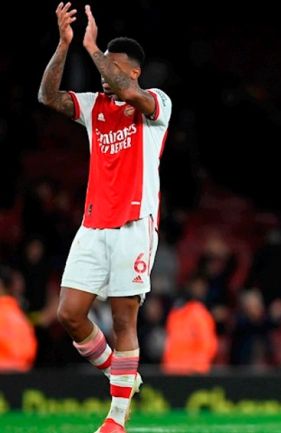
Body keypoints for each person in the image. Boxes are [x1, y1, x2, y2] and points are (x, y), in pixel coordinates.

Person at [38, 3, 172, 432]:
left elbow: (130, 92)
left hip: (135, 223)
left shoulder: (155, 105)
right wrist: (65, 46)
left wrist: (94, 48)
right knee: (69, 314)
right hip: (94, 223)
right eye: (100, 64)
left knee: (122, 320)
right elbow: (48, 96)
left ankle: (115, 419)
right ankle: (123, 375)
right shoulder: (95, 107)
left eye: (113, 66)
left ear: (133, 71)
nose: (102, 73)